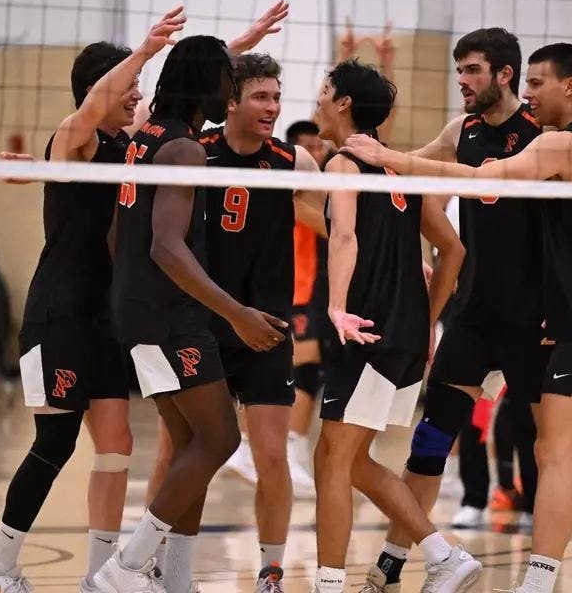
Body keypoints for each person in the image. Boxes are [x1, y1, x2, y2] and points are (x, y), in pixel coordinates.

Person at [342, 42, 572, 593]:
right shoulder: (464, 130)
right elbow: (423, 175)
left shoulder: (552, 137)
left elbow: (473, 177)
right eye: (457, 70)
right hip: (477, 316)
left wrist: (397, 161)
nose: (464, 80)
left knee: (568, 456)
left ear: (505, 73)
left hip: (544, 324)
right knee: (433, 441)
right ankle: (395, 562)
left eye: (473, 70)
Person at [0, 8, 186, 593]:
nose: (135, 92)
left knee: (117, 446)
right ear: (100, 87)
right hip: (58, 311)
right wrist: (141, 51)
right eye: (127, 83)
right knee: (55, 442)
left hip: (105, 316)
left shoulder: (125, 147)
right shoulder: (73, 135)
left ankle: (100, 577)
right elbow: (93, 108)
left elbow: (180, 108)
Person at [94, 35, 287, 593]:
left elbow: (118, 233)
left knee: (189, 444)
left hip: (135, 310)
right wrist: (237, 314)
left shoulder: (146, 137)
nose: (233, 86)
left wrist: (131, 292)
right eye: (229, 78)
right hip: (169, 316)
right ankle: (127, 567)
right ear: (212, 83)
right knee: (221, 439)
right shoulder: (183, 148)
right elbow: (166, 246)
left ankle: (174, 578)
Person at [310, 58, 481, 593]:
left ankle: (329, 583)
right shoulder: (396, 167)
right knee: (347, 458)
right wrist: (425, 321)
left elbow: (343, 236)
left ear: (342, 104)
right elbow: (451, 250)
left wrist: (336, 305)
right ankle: (440, 554)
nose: (316, 99)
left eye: (323, 90)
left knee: (334, 460)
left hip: (366, 330)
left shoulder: (344, 165)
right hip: (402, 335)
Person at [196, 52, 325, 591]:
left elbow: (333, 223)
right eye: (261, 97)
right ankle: (164, 560)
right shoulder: (193, 154)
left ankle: (270, 570)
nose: (272, 107)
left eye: (277, 96)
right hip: (202, 326)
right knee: (191, 452)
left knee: (271, 457)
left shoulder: (294, 162)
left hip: (268, 330)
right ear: (231, 101)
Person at [284, 119, 334, 487]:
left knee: (312, 373)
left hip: (319, 292)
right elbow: (323, 227)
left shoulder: (324, 180)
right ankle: (290, 452)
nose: (318, 152)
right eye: (310, 148)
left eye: (320, 146)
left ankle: (294, 452)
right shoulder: (297, 187)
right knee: (304, 371)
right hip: (299, 290)